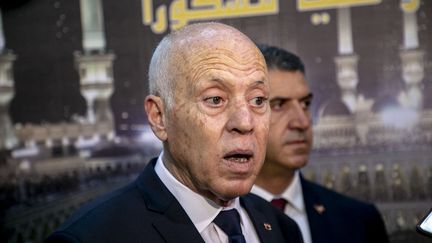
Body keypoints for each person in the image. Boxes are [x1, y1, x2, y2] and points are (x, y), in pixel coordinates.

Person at [45, 23, 303, 243]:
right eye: (215, 99)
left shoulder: (281, 228)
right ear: (159, 117)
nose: (245, 122)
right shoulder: (91, 237)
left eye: (258, 100)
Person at [251, 45, 389, 243]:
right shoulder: (209, 223)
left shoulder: (359, 221)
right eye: (279, 105)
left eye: (305, 104)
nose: (302, 122)